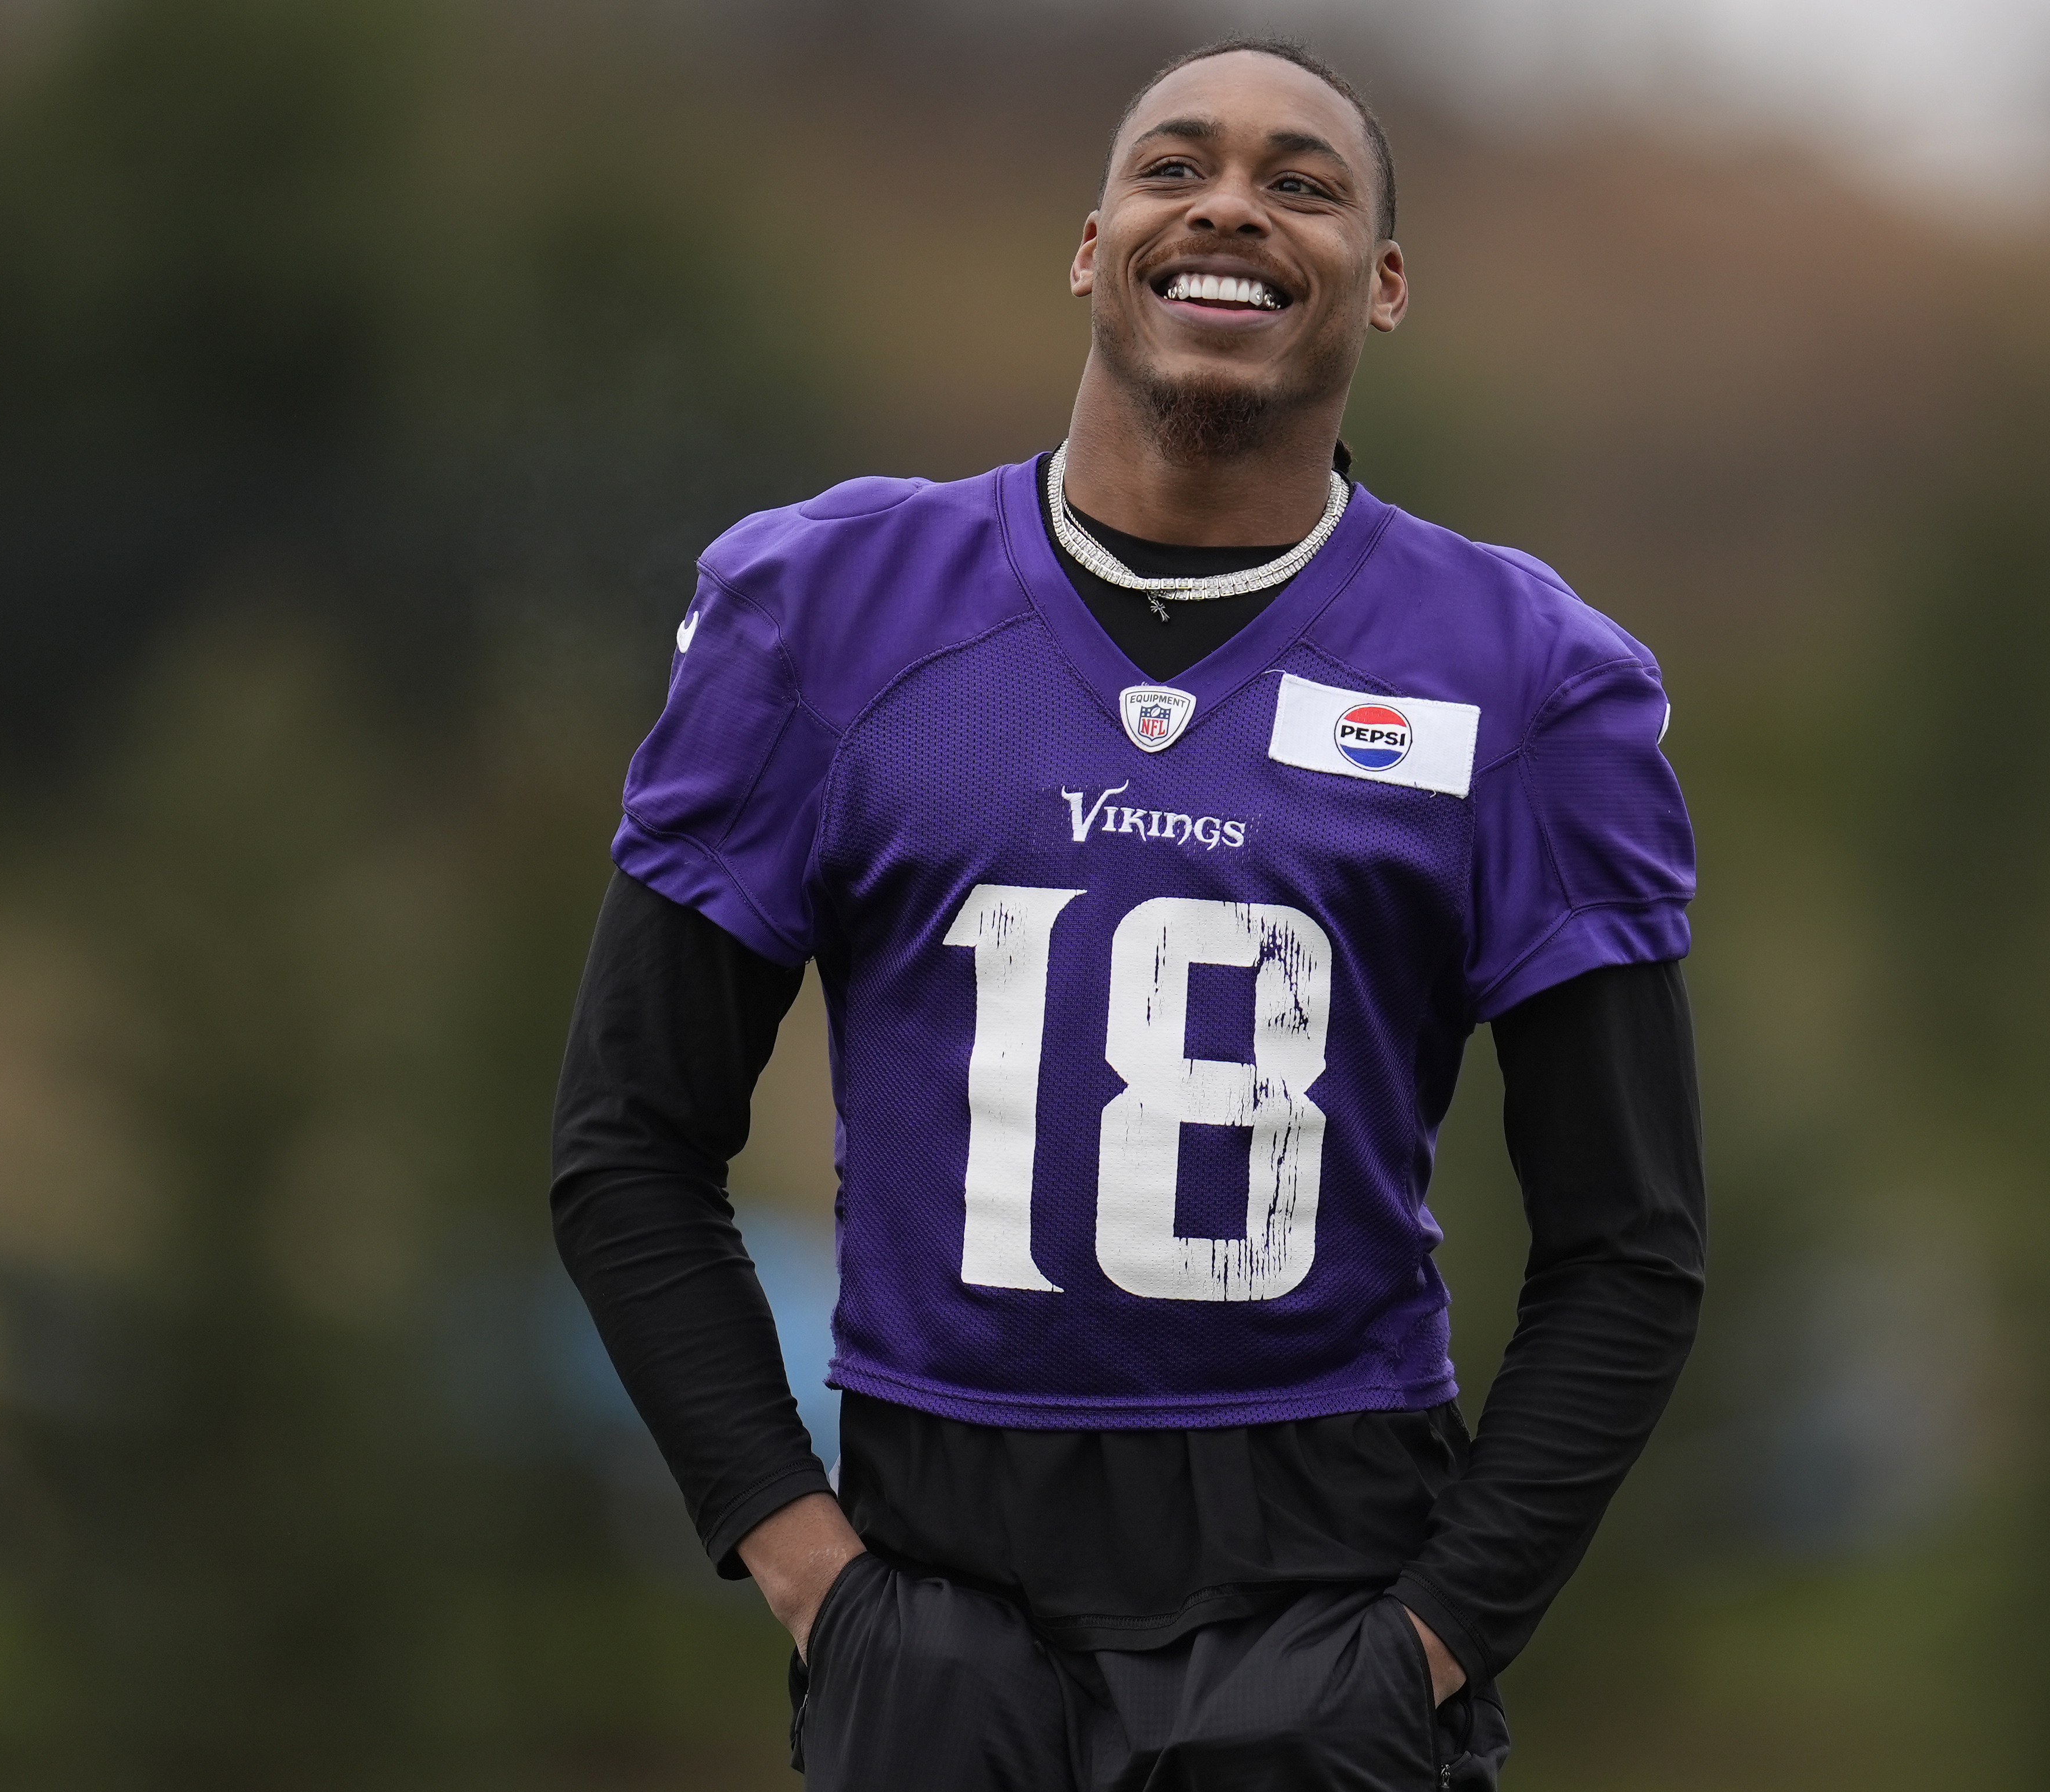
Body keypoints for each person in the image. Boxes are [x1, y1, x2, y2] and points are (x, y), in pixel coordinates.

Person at [552, 35, 1704, 1790]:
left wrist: (1428, 1644)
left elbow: (1629, 1245)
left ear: (1385, 282)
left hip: (1326, 1599)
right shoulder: (831, 612)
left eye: (1301, 183)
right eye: (1175, 168)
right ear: (1091, 247)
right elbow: (628, 1142)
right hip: (934, 1607)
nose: (1230, 205)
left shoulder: (1522, 678)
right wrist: (813, 1579)